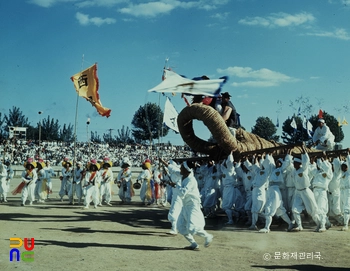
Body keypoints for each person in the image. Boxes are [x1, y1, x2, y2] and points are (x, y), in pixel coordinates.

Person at [172, 160, 213, 250]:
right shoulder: (184, 177)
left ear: (187, 169)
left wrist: (175, 186)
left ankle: (207, 236)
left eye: (182, 167)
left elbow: (183, 193)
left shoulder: (191, 180)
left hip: (192, 205)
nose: (180, 168)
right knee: (181, 226)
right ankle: (194, 244)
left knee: (192, 227)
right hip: (185, 205)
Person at [258, 155, 294, 233]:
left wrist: (287, 154)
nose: (278, 163)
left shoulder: (281, 170)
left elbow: (286, 163)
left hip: (275, 190)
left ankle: (267, 227)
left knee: (269, 207)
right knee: (280, 210)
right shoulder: (272, 170)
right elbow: (266, 164)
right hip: (270, 189)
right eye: (277, 162)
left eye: (279, 162)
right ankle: (290, 224)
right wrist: (264, 157)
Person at [291, 145, 321, 231]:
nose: (294, 164)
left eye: (295, 163)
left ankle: (320, 224)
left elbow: (306, 160)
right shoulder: (294, 171)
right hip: (298, 192)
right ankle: (299, 225)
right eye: (293, 163)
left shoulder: (303, 169)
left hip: (306, 191)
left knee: (311, 210)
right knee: (295, 209)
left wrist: (303, 148)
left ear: (299, 164)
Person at [160, 158, 183, 235]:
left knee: (174, 211)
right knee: (177, 211)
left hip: (179, 194)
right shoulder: (173, 173)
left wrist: (163, 161)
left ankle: (174, 229)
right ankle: (177, 227)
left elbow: (178, 184)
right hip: (175, 193)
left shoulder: (178, 171)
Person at [340, 152, 350, 231]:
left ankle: (346, 224)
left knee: (346, 207)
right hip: (342, 192)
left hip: (348, 191)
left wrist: (348, 155)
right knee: (343, 208)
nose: (344, 167)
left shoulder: (349, 173)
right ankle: (345, 221)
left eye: (345, 166)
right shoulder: (342, 174)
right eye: (343, 166)